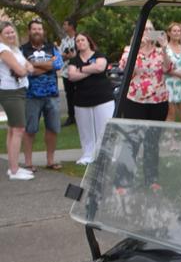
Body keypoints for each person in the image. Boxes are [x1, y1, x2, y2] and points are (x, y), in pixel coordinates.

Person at [118, 21, 173, 190]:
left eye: (150, 29)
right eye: (144, 29)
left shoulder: (160, 51)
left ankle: (151, 180)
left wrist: (164, 47)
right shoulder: (130, 51)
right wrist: (136, 48)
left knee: (152, 142)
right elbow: (126, 70)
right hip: (135, 101)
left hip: (158, 101)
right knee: (132, 141)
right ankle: (123, 181)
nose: (148, 32)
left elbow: (168, 68)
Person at [21, 19, 64, 171]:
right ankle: (28, 162)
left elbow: (58, 65)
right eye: (34, 29)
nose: (37, 31)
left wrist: (33, 64)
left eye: (40, 29)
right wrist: (48, 65)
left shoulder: (52, 47)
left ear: (43, 31)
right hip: (31, 96)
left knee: (52, 128)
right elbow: (24, 70)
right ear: (29, 31)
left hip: (52, 94)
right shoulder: (22, 50)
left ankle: (50, 161)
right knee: (30, 129)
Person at [67, 31, 115, 164]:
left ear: (89, 41)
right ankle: (88, 155)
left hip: (103, 97)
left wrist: (81, 70)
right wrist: (90, 69)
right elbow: (71, 76)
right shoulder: (74, 60)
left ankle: (106, 155)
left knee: (105, 128)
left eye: (83, 40)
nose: (80, 43)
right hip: (82, 99)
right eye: (78, 41)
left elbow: (100, 67)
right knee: (85, 130)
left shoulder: (99, 55)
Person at [0, 20, 34, 179]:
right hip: (11, 92)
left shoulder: (15, 49)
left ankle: (13, 167)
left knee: (13, 129)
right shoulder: (3, 50)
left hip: (19, 90)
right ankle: (14, 170)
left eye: (12, 32)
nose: (11, 35)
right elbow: (21, 70)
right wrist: (25, 69)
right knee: (19, 129)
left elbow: (30, 66)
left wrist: (26, 68)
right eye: (7, 33)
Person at [164, 22, 181, 129]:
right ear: (169, 33)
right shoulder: (165, 48)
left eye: (179, 31)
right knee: (170, 115)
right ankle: (169, 143)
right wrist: (179, 74)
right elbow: (164, 68)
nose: (177, 33)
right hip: (169, 83)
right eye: (174, 31)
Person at [58, 18, 77, 126]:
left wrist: (72, 56)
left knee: (78, 94)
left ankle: (80, 115)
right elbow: (60, 55)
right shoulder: (64, 41)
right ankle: (71, 116)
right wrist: (65, 56)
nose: (64, 27)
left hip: (78, 71)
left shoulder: (78, 39)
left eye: (65, 24)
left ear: (71, 26)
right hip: (66, 72)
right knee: (69, 95)